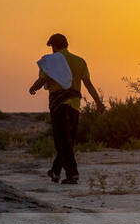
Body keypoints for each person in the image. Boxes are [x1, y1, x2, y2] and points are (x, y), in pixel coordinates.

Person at [29, 34, 105, 184]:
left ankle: (72, 174)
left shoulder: (51, 61)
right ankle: (55, 172)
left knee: (62, 141)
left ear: (53, 46)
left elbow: (42, 80)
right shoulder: (80, 61)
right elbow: (88, 84)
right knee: (67, 141)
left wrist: (33, 87)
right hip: (75, 106)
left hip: (59, 105)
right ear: (67, 44)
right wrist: (98, 102)